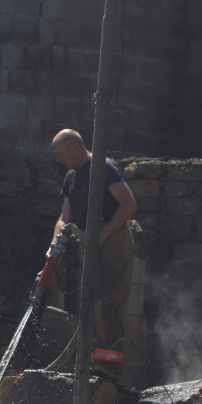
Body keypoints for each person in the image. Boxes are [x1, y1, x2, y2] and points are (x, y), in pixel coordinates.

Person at [49, 128, 140, 382]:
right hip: (88, 245)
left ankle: (114, 374)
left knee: (109, 306)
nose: (58, 160)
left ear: (76, 148)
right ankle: (97, 366)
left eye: (61, 154)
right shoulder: (70, 177)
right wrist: (54, 244)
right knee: (91, 303)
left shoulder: (104, 167)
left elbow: (129, 205)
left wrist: (102, 234)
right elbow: (64, 218)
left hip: (113, 243)